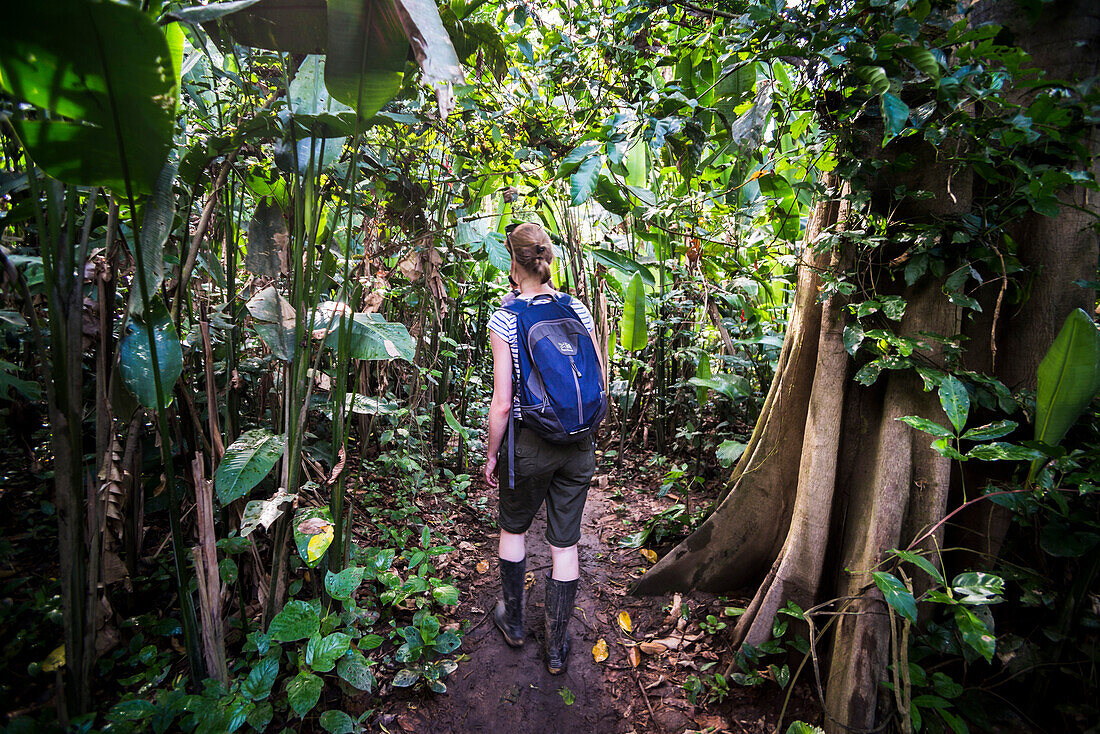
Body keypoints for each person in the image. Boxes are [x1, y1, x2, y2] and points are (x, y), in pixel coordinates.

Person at [482, 223, 601, 675]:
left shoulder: (505, 319)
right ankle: (556, 646)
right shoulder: (579, 310)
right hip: (578, 445)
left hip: (529, 445)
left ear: (513, 265)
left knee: (513, 530)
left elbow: (502, 401)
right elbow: (598, 379)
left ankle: (513, 622)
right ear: (547, 260)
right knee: (564, 545)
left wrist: (492, 454)